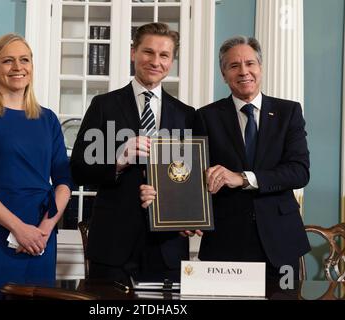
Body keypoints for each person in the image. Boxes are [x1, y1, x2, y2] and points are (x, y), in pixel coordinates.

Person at [141, 35, 311, 281]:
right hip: (225, 242)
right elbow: (189, 173)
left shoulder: (289, 112)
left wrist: (242, 178)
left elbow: (299, 171)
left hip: (280, 241)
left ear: (260, 68)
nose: (244, 71)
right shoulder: (206, 116)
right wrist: (181, 213)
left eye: (250, 63)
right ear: (224, 75)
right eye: (234, 66)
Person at [70, 23, 195, 284]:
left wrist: (188, 212)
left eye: (164, 56)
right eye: (148, 52)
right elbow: (78, 170)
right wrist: (116, 162)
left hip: (167, 248)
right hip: (113, 246)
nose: (155, 61)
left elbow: (191, 178)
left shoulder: (187, 114)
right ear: (132, 53)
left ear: (172, 61)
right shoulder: (103, 106)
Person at [0, 33, 71, 299]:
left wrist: (44, 230)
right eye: (8, 61)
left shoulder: (48, 119)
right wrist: (19, 229)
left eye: (25, 60)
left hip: (41, 239)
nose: (18, 67)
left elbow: (64, 181)